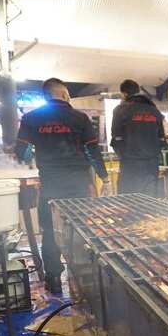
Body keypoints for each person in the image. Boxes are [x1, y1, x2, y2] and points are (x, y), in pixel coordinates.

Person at [15, 78, 111, 293]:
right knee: (81, 230)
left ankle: (54, 280)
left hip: (50, 183)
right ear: (65, 94)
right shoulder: (79, 118)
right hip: (78, 184)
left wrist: (35, 149)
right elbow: (93, 152)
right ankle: (85, 280)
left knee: (49, 230)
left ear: (46, 95)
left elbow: (21, 152)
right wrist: (104, 179)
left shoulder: (31, 118)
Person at [111, 79, 166, 197]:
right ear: (138, 91)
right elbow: (161, 138)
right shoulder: (154, 110)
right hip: (151, 164)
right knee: (150, 200)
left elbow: (116, 138)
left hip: (130, 164)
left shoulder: (120, 110)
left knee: (130, 201)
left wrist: (124, 155)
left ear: (124, 94)